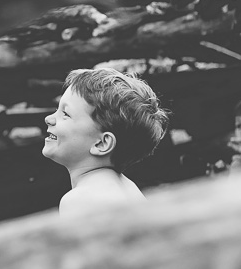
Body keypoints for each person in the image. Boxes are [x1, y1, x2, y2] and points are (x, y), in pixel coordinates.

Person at [43, 67, 169, 217]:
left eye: (65, 114)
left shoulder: (80, 200)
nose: (48, 119)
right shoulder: (130, 189)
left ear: (102, 144)